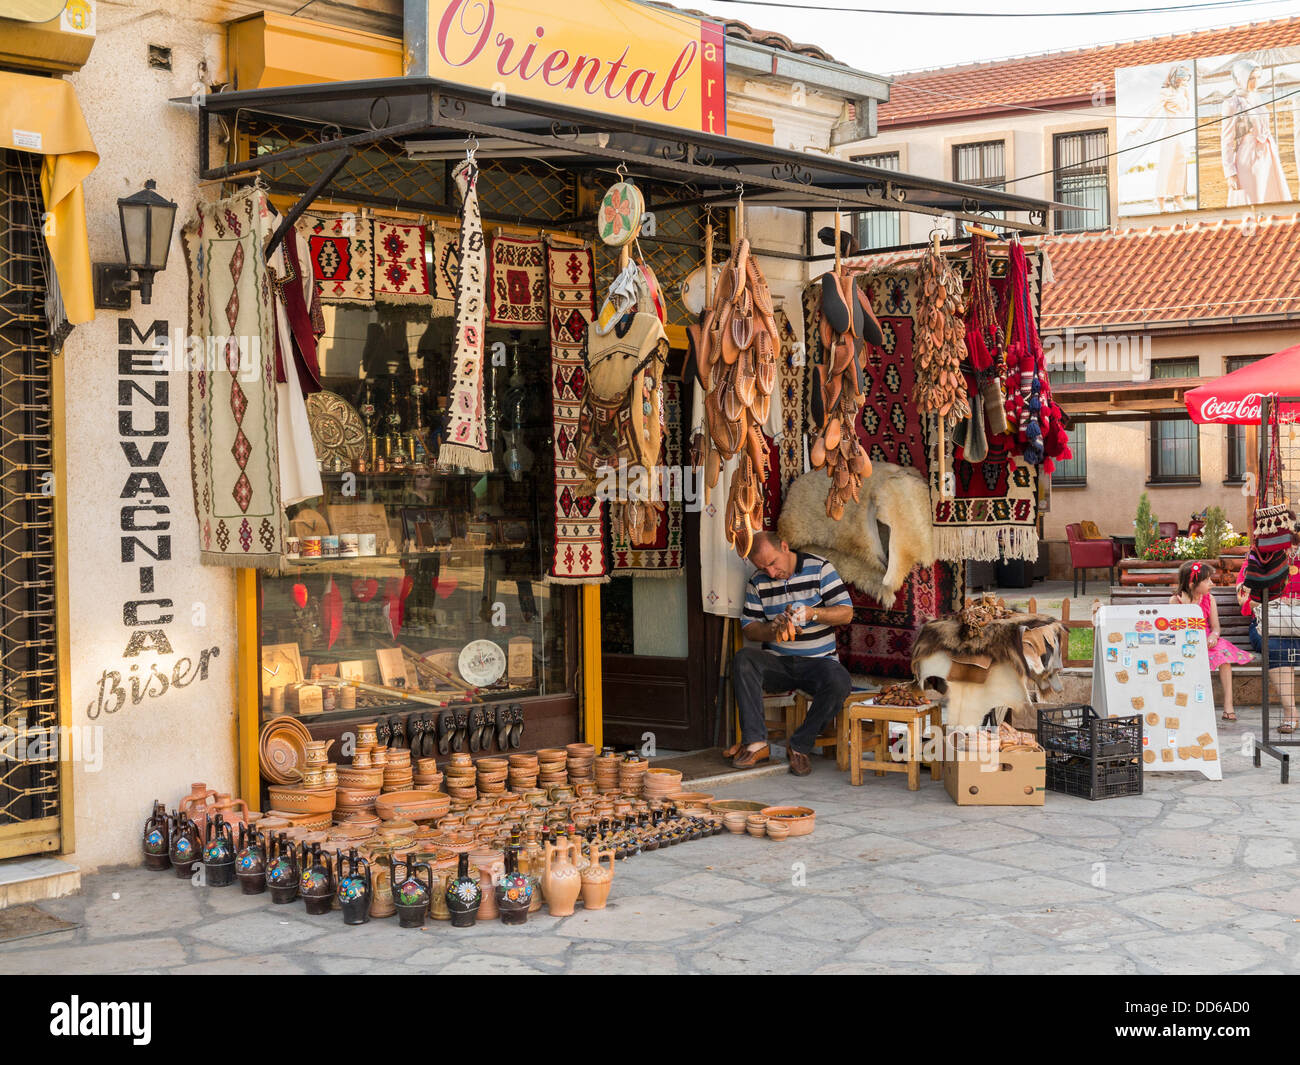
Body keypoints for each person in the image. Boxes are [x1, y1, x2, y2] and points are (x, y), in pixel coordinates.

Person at [724, 532, 854, 775]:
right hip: (779, 663)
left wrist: (813, 614)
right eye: (763, 567)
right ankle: (756, 744)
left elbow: (846, 613)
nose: (771, 573)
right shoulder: (757, 581)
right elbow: (751, 629)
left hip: (819, 663)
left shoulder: (820, 569)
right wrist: (771, 629)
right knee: (744, 659)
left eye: (773, 563)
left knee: (839, 681)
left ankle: (799, 746)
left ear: (785, 546)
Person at [1170, 560, 1250, 721]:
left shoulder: (1209, 599)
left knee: (1224, 658)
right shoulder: (1175, 601)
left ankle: (1228, 705)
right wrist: (1187, 607)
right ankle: (1192, 704)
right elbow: (1175, 630)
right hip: (1186, 642)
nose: (1212, 583)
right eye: (1207, 580)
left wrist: (1214, 636)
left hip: (1207, 640)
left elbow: (1215, 627)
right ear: (1192, 583)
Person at [1236, 552, 1300, 732]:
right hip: (1267, 626)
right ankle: (1291, 713)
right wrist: (1279, 604)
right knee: (1275, 647)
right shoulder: (1255, 563)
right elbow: (1245, 603)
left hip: (1297, 625)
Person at [1220, 59, 1291, 208]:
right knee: (1253, 202)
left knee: (1272, 200)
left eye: (1258, 77)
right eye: (1251, 78)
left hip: (1267, 156)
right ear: (1241, 79)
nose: (1256, 82)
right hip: (1248, 158)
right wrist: (1230, 172)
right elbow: (1226, 140)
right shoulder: (1231, 104)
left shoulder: (1257, 98)